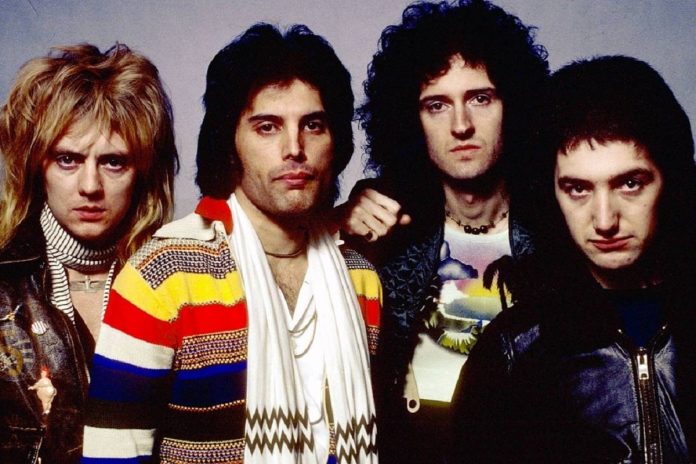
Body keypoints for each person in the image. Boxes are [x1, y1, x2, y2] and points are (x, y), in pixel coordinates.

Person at [82, 24, 381, 464]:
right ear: (230, 143)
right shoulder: (163, 275)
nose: (294, 148)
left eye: (313, 125)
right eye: (267, 127)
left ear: (335, 141)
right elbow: (112, 455)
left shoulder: (361, 280)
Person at [452, 55, 696, 463]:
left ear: (670, 181)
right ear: (552, 193)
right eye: (578, 189)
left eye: (630, 184)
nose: (604, 220)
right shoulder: (515, 350)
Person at [336, 1, 548, 461]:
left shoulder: (559, 235)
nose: (461, 126)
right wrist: (337, 228)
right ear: (411, 121)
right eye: (437, 105)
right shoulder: (386, 231)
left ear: (514, 104)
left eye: (480, 98)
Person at [0, 44, 178, 463]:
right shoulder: (4, 288)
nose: (90, 186)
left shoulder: (178, 280)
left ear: (142, 172)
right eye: (68, 159)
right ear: (37, 166)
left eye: (114, 162)